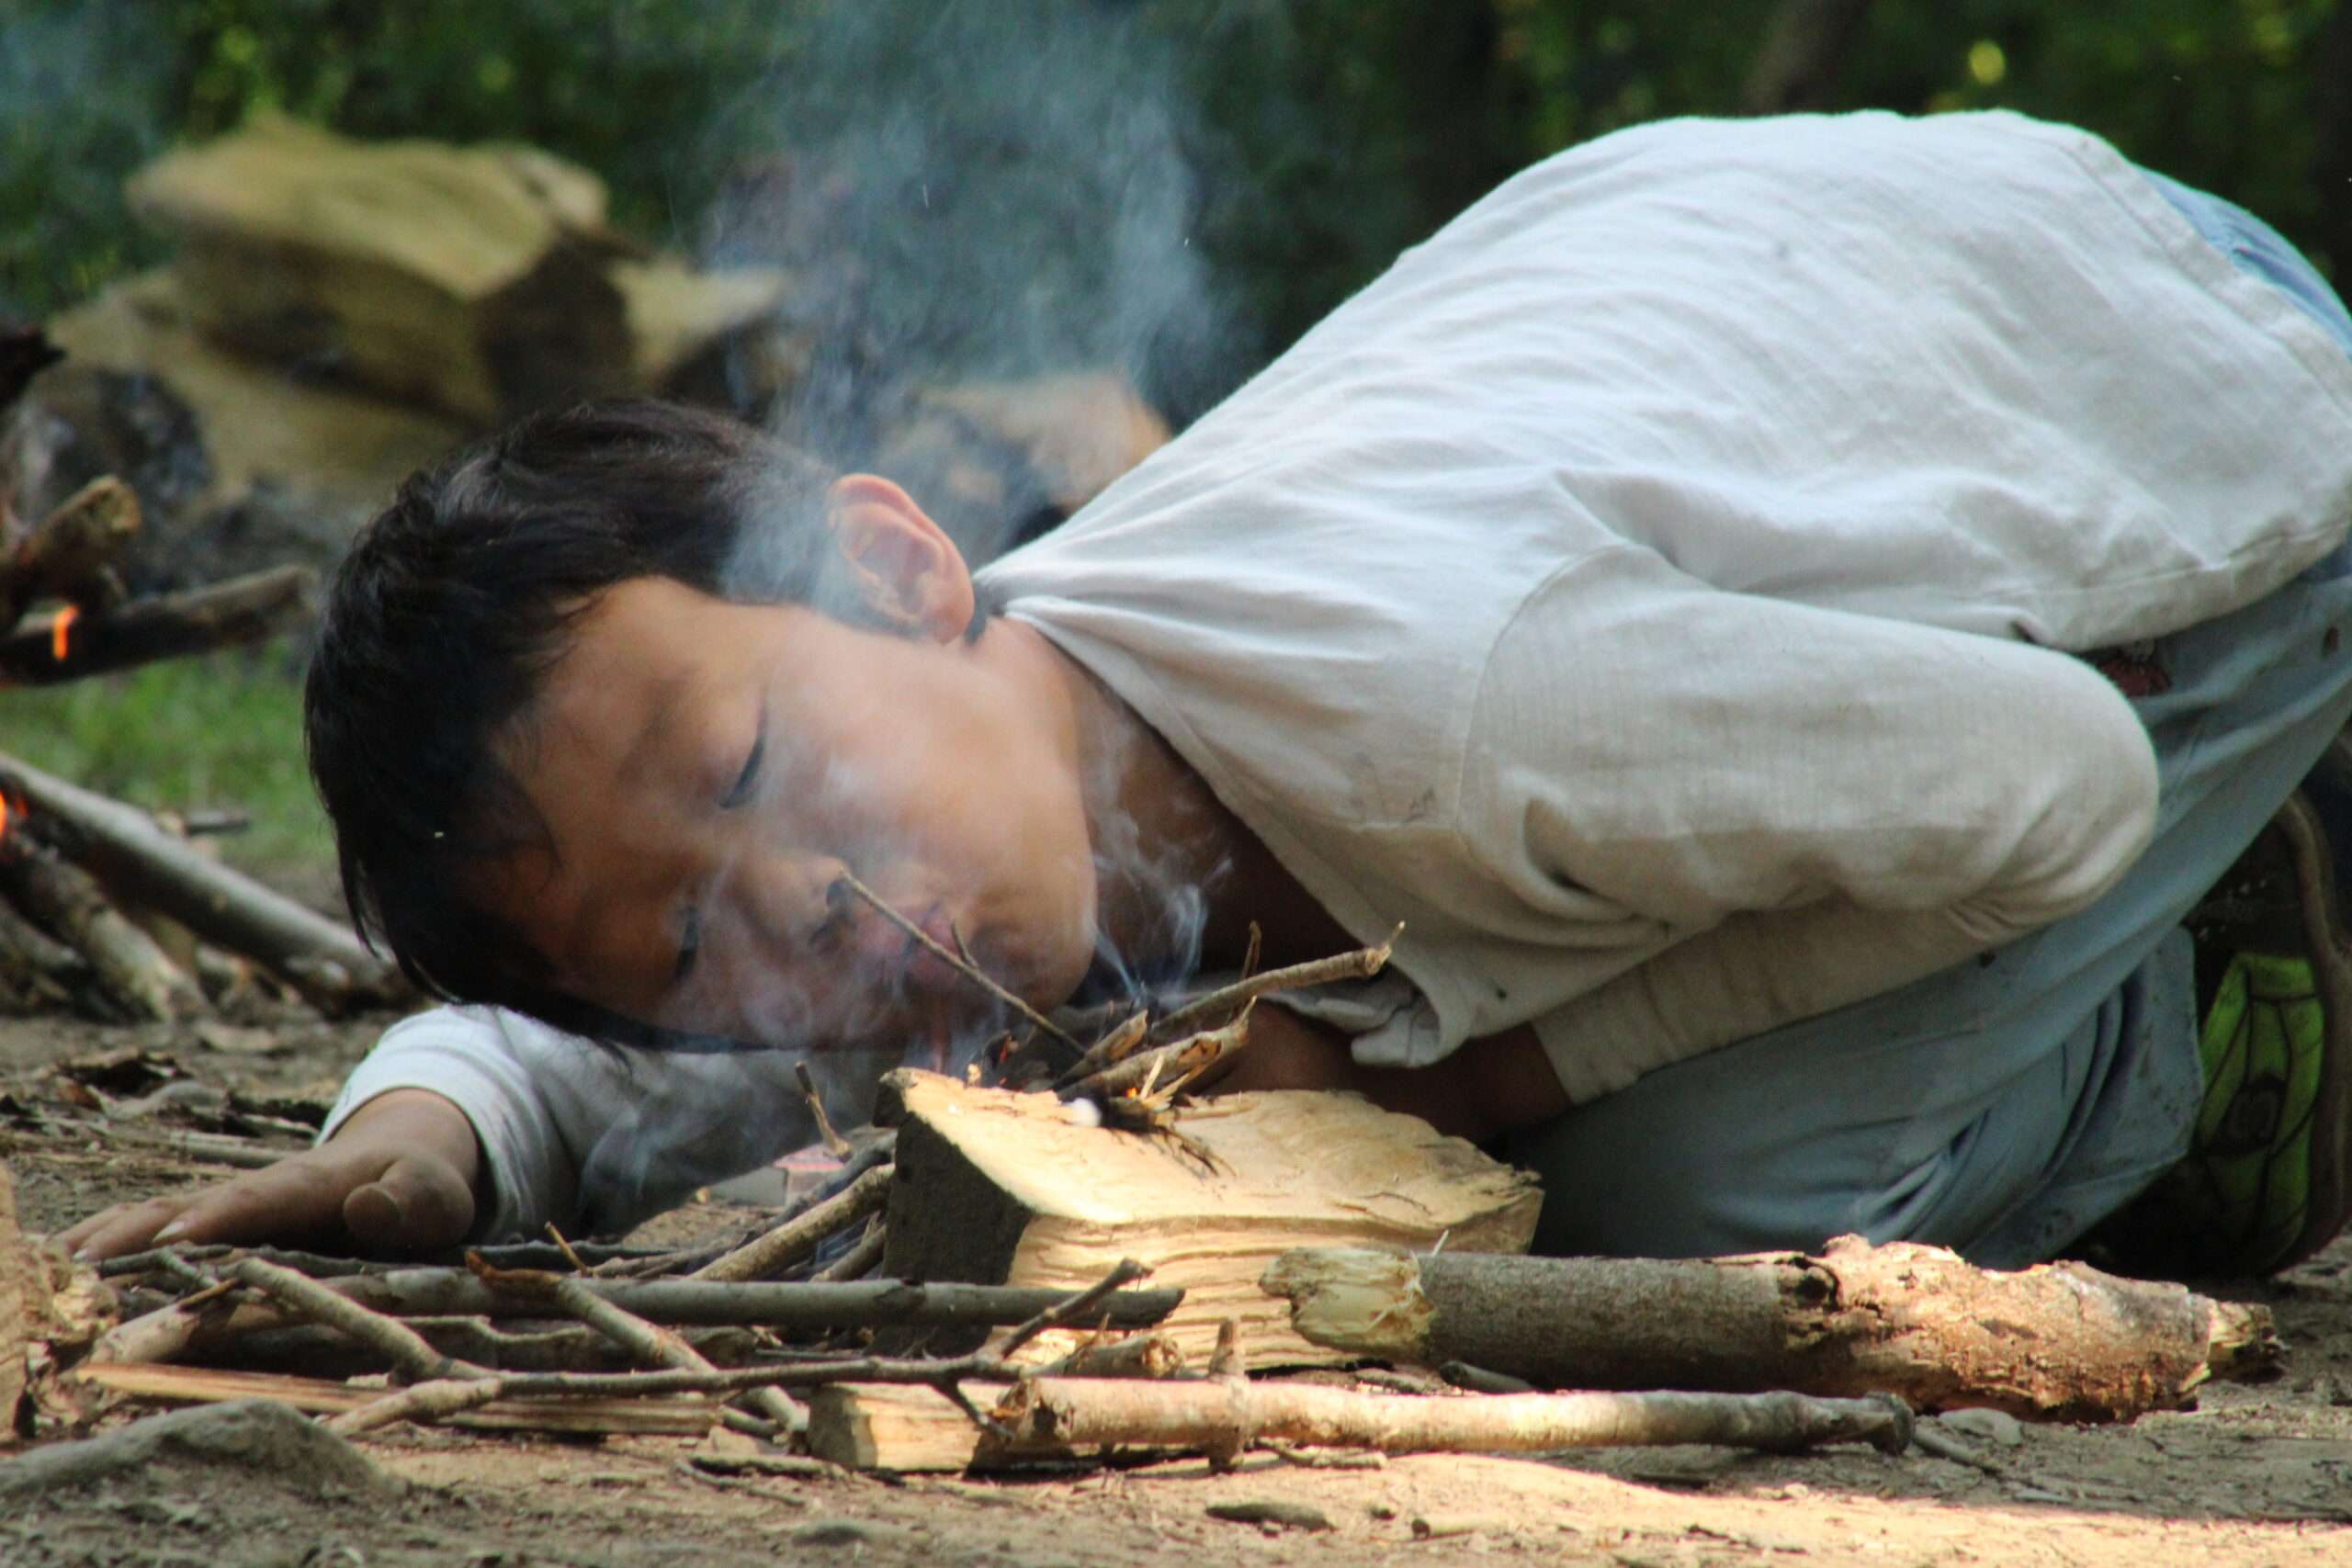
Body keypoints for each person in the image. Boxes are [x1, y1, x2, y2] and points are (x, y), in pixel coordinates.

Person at [62, 109, 2352, 1279]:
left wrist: (1489, 1064)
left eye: (753, 765)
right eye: (681, 942)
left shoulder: (1450, 704)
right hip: (1756, 331)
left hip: (2186, 414)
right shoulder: (945, 785)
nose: (794, 905)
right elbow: (576, 1041)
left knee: (1671, 1184)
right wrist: (414, 1138)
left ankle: (2213, 1010)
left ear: (897, 567)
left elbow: (2050, 776)